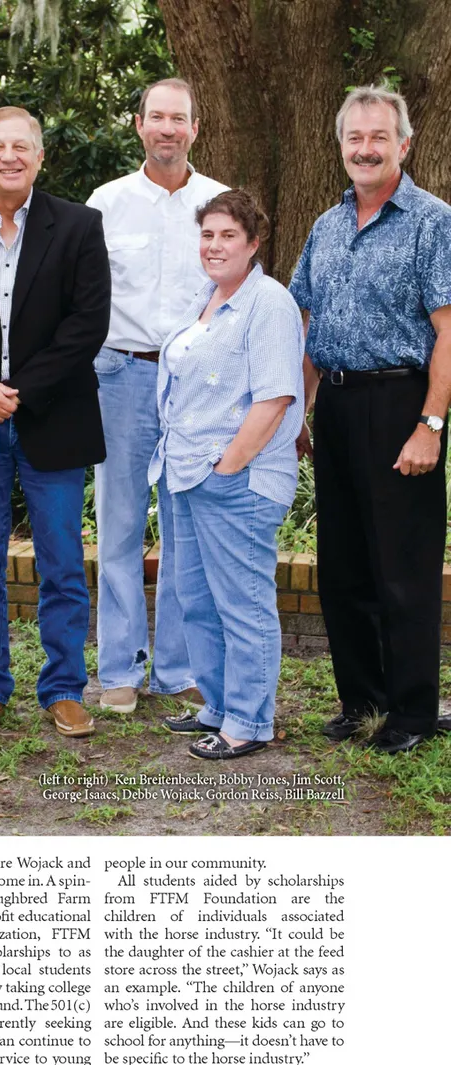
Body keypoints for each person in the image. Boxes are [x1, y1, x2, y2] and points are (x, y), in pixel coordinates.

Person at [0, 107, 110, 738]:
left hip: (53, 417)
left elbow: (88, 323)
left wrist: (19, 392)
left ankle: (63, 688)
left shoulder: (80, 225)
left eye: (21, 146)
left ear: (39, 156)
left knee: (62, 563)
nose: (9, 156)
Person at [289, 85, 451, 754]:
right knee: (345, 566)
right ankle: (362, 701)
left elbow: (449, 331)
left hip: (399, 404)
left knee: (403, 568)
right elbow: (308, 324)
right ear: (340, 146)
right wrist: (300, 412)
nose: (365, 148)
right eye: (354, 137)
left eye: (378, 137)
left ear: (403, 145)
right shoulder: (326, 227)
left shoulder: (433, 222)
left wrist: (430, 425)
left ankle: (412, 713)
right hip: (337, 405)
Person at [87, 78, 228, 714]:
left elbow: (237, 292)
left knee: (184, 529)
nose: (168, 128)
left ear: (195, 128)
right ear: (139, 124)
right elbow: (83, 293)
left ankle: (177, 669)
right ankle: (119, 668)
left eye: (179, 118)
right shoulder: (107, 203)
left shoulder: (219, 201)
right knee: (119, 524)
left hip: (197, 384)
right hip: (121, 374)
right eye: (157, 117)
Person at [149, 189, 303, 759]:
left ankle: (249, 721)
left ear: (254, 243)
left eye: (228, 236)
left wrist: (228, 467)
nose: (214, 246)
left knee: (243, 604)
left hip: (237, 480)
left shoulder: (269, 303)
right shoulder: (208, 297)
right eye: (207, 234)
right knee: (196, 598)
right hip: (186, 473)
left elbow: (276, 397)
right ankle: (216, 705)